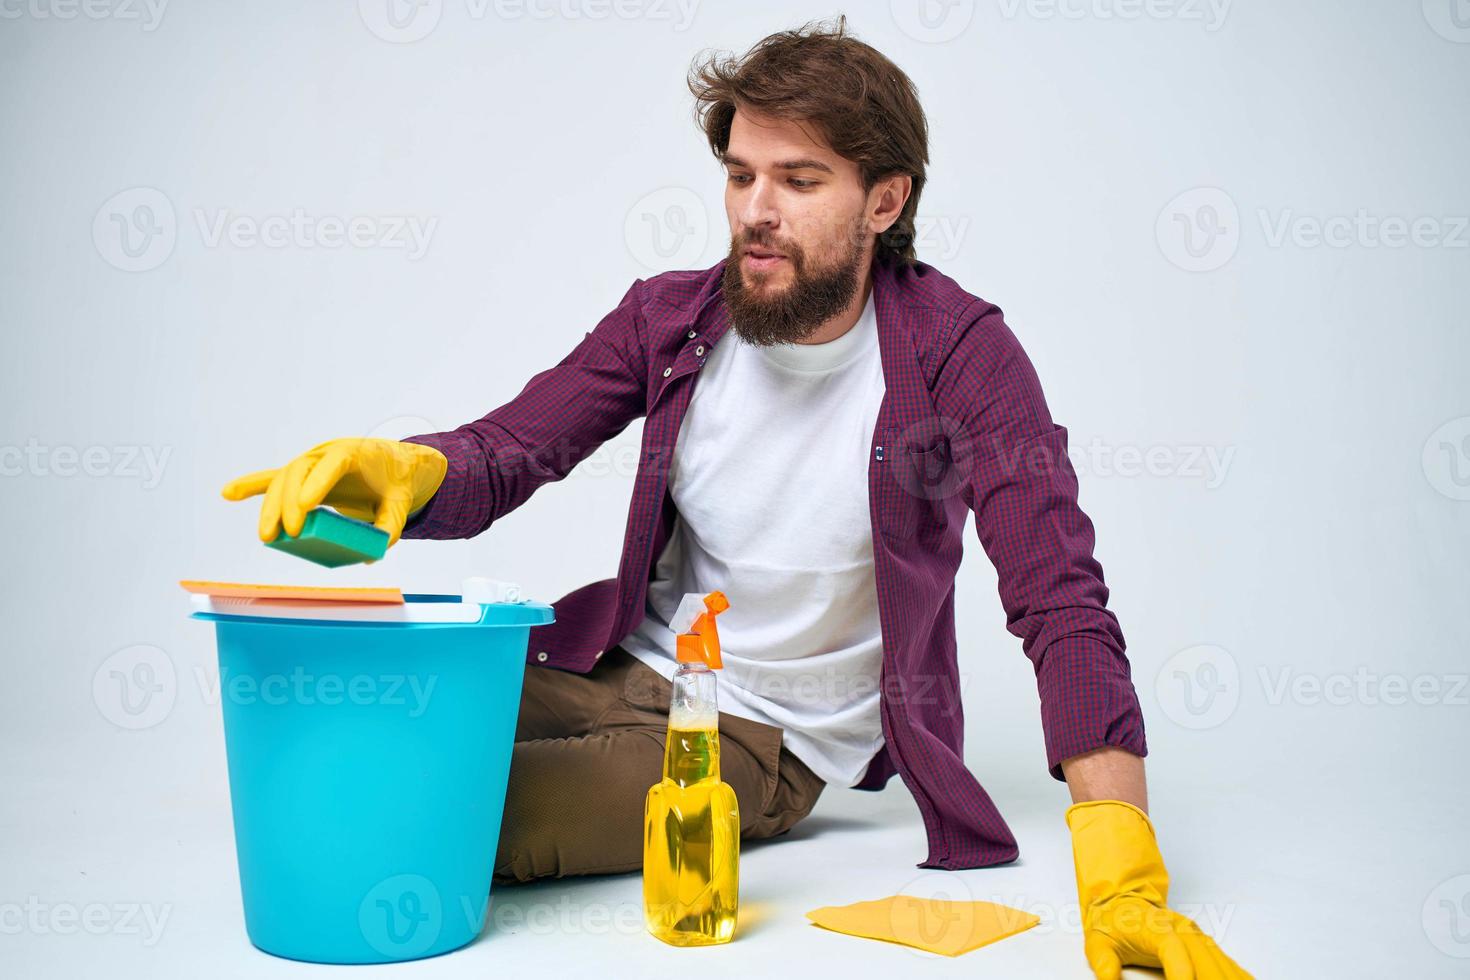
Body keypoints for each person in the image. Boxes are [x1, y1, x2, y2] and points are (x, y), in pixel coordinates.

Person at [223, 18, 1250, 978]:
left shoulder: (963, 356)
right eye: (742, 174)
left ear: (884, 202)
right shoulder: (669, 319)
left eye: (800, 180)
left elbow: (1059, 596)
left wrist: (1121, 858)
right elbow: (508, 452)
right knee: (360, 712)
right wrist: (402, 474)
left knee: (456, 806)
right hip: (615, 664)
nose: (757, 211)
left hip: (764, 735)